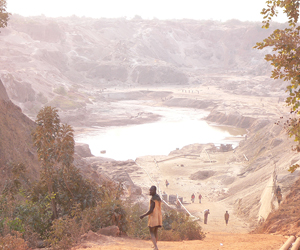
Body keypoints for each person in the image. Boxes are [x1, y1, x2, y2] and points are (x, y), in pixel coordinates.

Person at [140, 186, 162, 250]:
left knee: (151, 231)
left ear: (155, 190)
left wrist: (143, 215)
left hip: (153, 216)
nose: (150, 192)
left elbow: (151, 210)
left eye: (151, 191)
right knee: (156, 231)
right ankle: (155, 245)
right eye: (150, 190)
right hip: (158, 216)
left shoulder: (153, 199)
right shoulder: (158, 198)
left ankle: (155, 247)